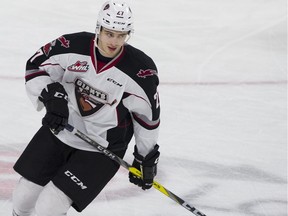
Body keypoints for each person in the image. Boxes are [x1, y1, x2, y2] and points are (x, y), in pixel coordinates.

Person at [12, 1, 160, 215]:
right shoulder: (72, 46)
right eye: (109, 33)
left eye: (121, 35)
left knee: (50, 206)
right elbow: (36, 67)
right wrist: (52, 96)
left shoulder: (139, 70)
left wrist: (145, 158)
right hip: (62, 128)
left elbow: (147, 118)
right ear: (98, 28)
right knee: (23, 197)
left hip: (102, 147)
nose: (115, 41)